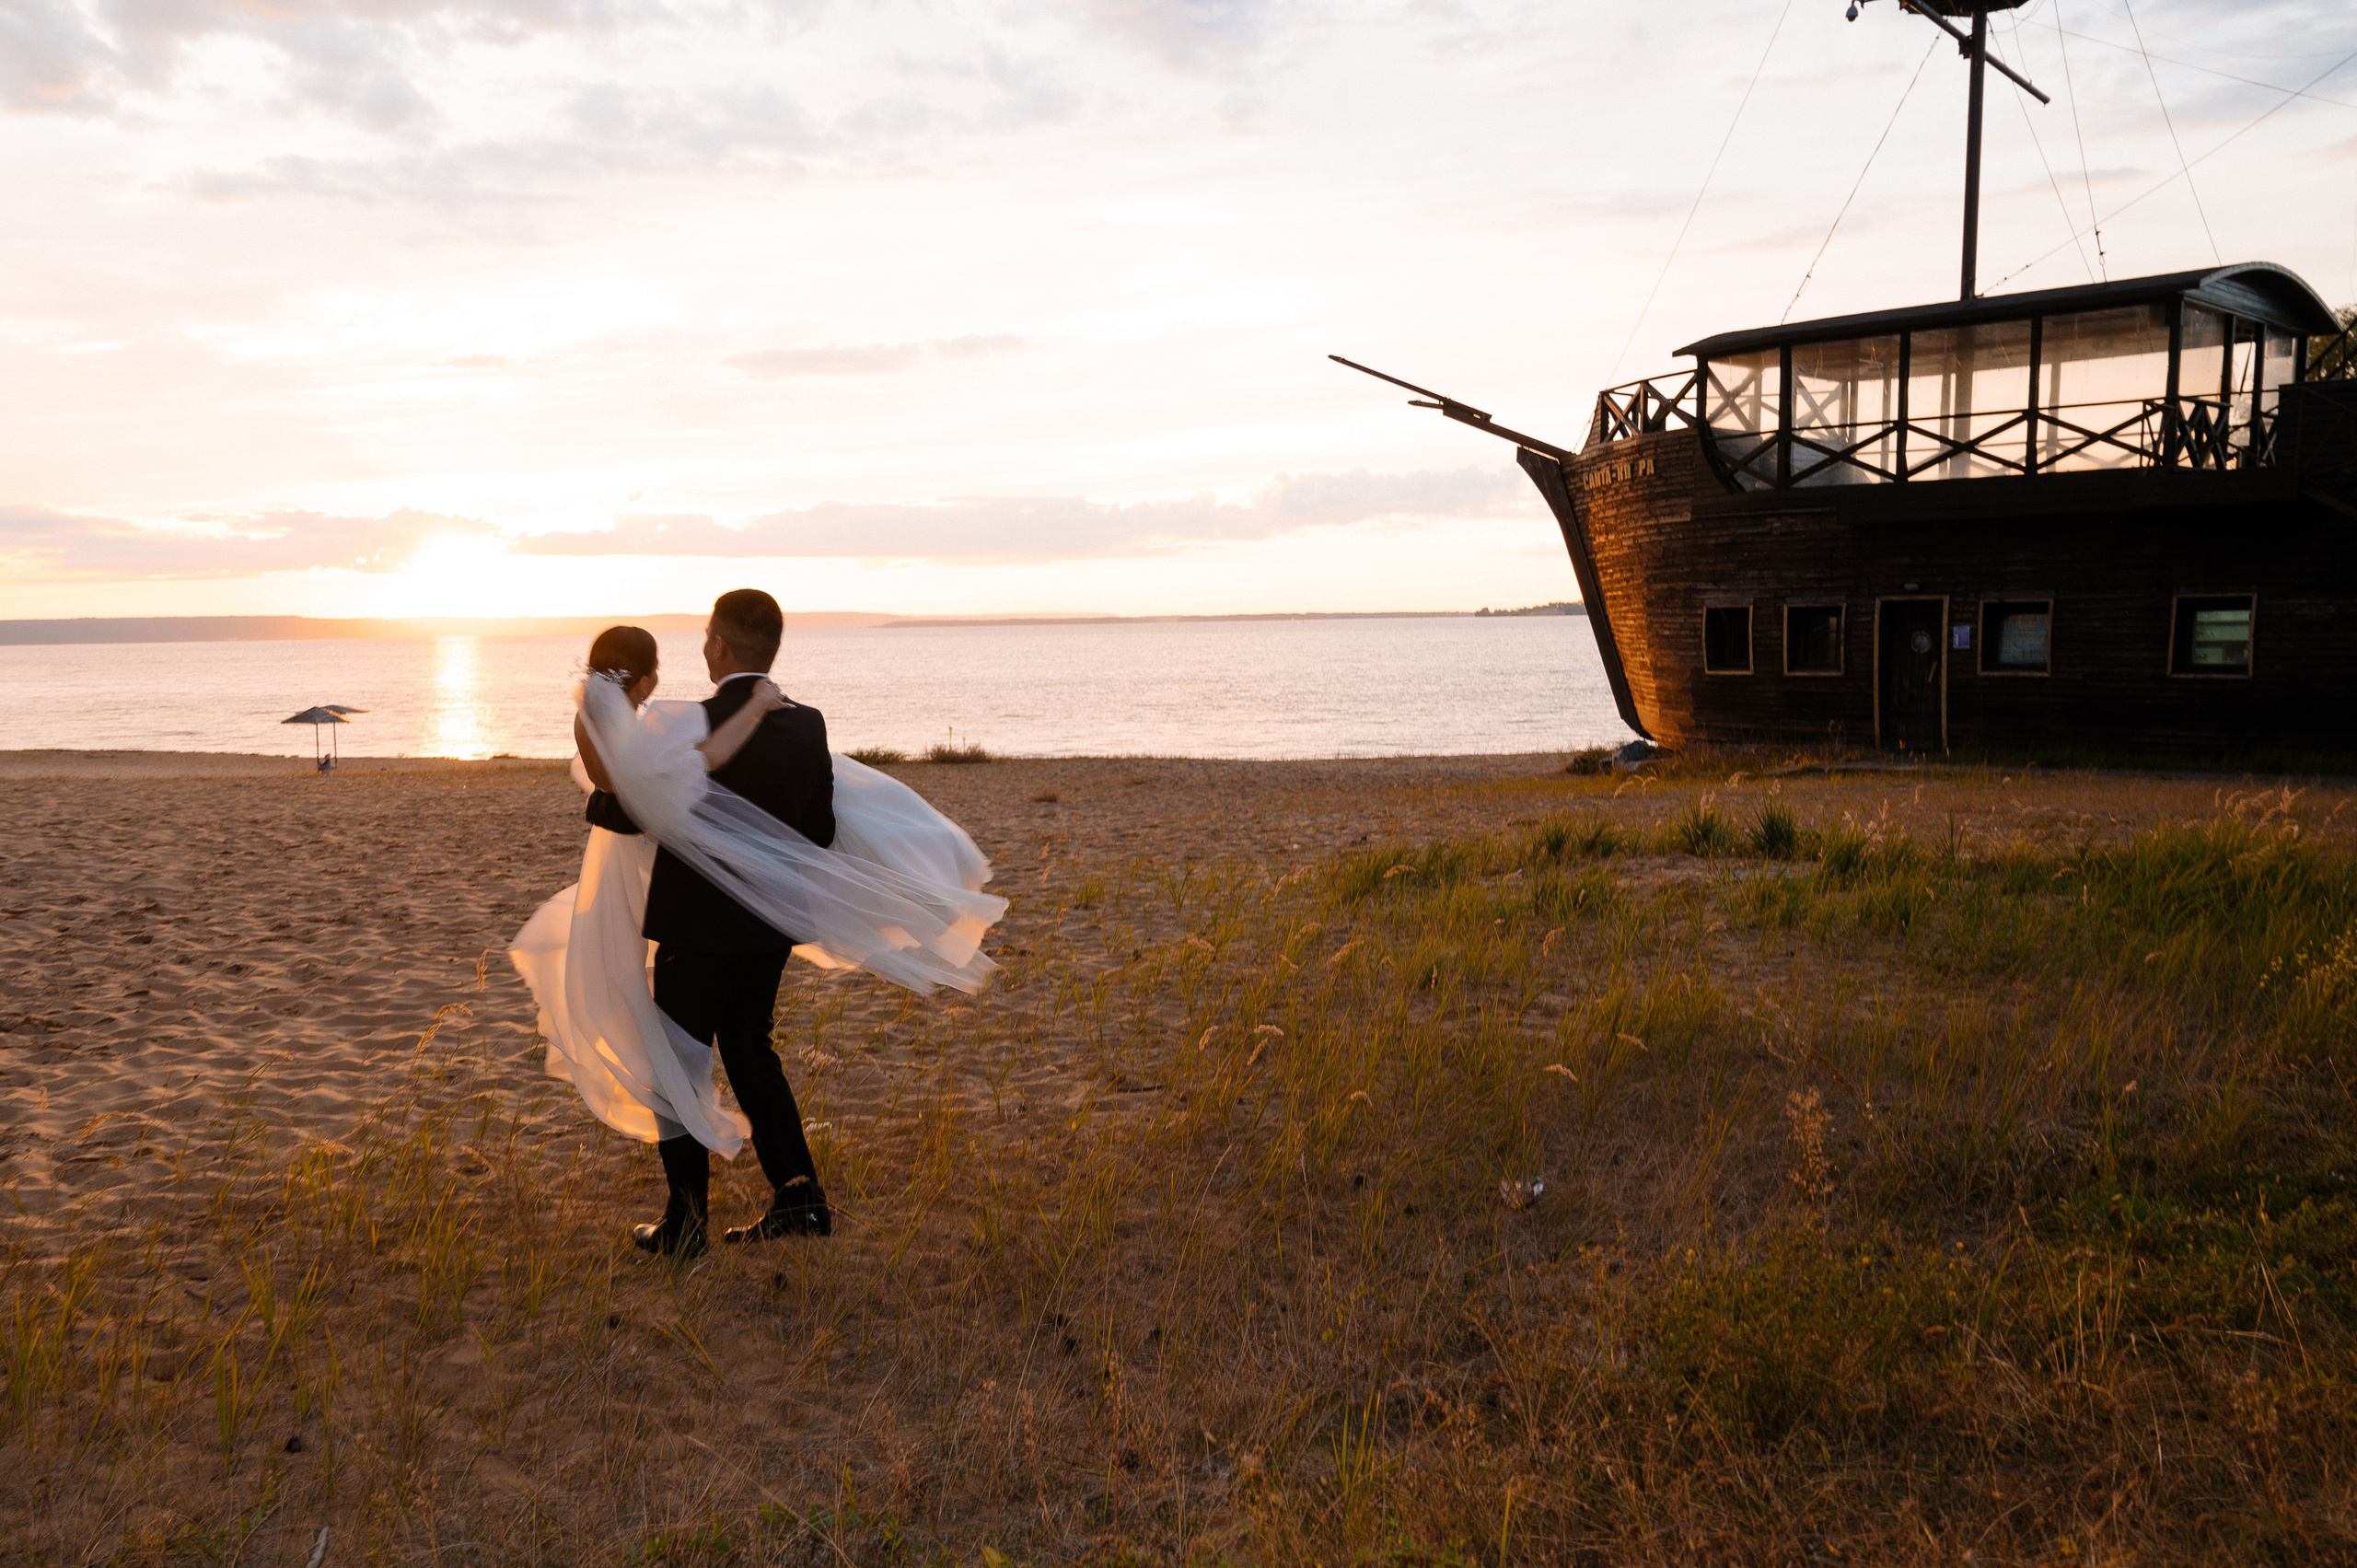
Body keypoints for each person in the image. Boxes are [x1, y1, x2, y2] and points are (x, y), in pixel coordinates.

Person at [511, 593, 1004, 1261]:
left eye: (709, 637)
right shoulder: (808, 725)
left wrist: (604, 798)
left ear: (719, 646)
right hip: (771, 927)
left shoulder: (685, 721)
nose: (705, 647)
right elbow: (819, 830)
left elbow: (638, 811)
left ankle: (686, 1223)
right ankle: (800, 1199)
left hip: (698, 931)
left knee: (674, 1064)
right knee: (748, 1050)